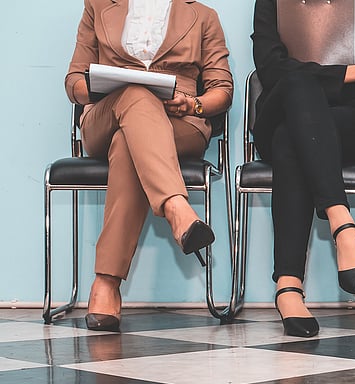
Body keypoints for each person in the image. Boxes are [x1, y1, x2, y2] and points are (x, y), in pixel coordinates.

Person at [65, 0, 233, 332]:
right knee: (135, 93)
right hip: (108, 112)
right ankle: (175, 206)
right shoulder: (98, 6)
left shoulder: (203, 15)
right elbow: (74, 81)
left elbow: (222, 91)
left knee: (129, 144)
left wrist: (194, 103)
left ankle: (106, 282)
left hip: (178, 120)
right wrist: (106, 85)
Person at [252, 0, 355, 337]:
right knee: (297, 85)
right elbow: (272, 71)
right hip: (280, 114)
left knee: (294, 137)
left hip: (351, 125)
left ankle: (288, 287)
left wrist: (325, 80)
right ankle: (342, 222)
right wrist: (354, 72)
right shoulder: (271, 2)